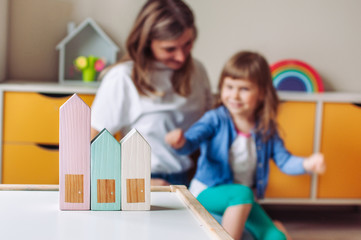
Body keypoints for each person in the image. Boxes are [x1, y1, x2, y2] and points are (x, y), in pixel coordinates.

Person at [165, 51, 326, 240]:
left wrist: (307, 164)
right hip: (207, 194)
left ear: (262, 93)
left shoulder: (267, 129)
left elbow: (285, 161)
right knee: (241, 193)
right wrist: (180, 141)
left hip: (244, 200)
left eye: (244, 89)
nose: (234, 95)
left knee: (275, 236)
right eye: (229, 86)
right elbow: (191, 142)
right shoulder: (215, 119)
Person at [91, 0, 213, 186]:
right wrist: (136, 183)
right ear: (147, 42)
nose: (181, 56)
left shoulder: (198, 71)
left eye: (188, 44)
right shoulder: (123, 77)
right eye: (170, 49)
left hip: (191, 177)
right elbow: (91, 144)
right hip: (140, 178)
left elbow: (208, 130)